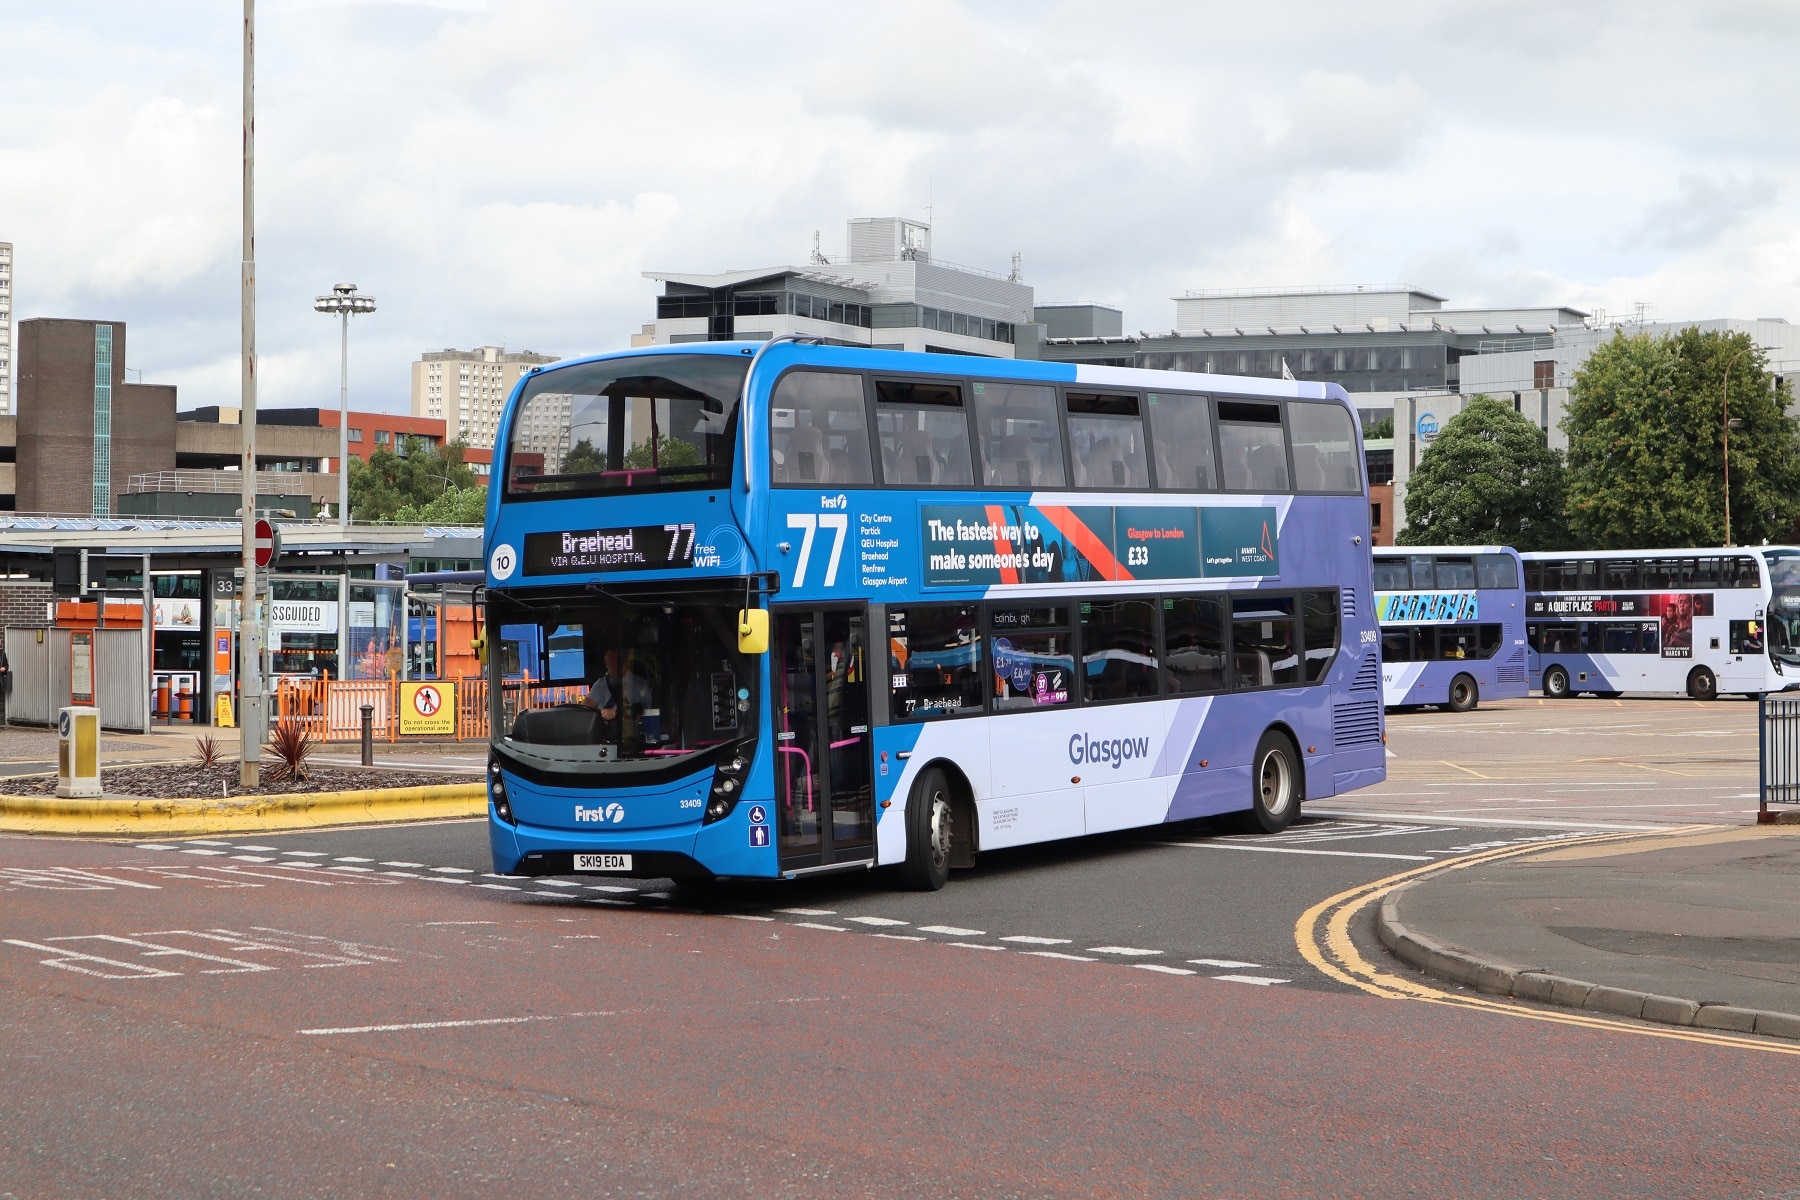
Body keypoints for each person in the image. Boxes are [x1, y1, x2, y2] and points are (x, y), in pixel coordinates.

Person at [580, 648, 651, 719]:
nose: (614, 665)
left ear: (625, 661)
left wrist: (616, 713)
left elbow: (643, 710)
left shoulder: (639, 684)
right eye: (611, 661)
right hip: (602, 727)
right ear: (605, 663)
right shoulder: (601, 683)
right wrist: (585, 709)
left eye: (618, 661)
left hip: (628, 728)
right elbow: (587, 704)